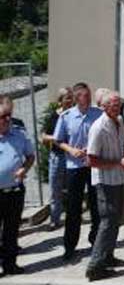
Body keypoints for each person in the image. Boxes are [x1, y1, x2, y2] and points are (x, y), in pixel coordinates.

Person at [54, 81, 103, 262]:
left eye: (89, 96)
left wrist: (92, 150)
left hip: (93, 165)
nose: (89, 99)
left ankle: (95, 241)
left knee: (96, 205)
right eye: (85, 96)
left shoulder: (98, 114)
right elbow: (58, 140)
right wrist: (71, 150)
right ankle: (70, 246)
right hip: (74, 167)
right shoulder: (66, 117)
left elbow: (103, 135)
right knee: (73, 208)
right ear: (76, 98)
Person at [85, 91, 124, 282]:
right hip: (104, 180)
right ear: (104, 107)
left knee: (115, 219)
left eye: (119, 105)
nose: (118, 108)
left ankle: (107, 256)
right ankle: (95, 266)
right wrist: (117, 162)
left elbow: (123, 145)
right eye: (114, 105)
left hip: (118, 178)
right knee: (107, 221)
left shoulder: (119, 121)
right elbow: (91, 160)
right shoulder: (98, 127)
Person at [0, 95, 35, 276]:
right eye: (3, 116)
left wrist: (24, 168)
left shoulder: (19, 135)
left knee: (12, 230)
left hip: (15, 191)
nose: (7, 119)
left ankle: (10, 265)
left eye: (9, 115)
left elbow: (30, 156)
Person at [41, 87, 73, 230]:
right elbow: (43, 136)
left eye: (71, 97)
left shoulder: (74, 114)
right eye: (67, 97)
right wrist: (55, 138)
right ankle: (55, 219)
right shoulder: (54, 116)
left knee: (72, 189)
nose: (70, 100)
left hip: (71, 156)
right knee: (55, 189)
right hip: (57, 157)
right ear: (60, 100)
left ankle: (72, 218)